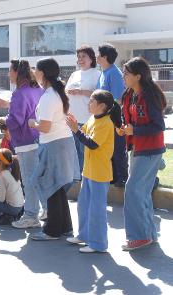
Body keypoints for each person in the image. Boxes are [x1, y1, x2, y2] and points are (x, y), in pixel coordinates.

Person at [0, 59, 46, 228]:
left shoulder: (20, 93)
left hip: (25, 141)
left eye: (10, 70)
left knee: (29, 180)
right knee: (37, 178)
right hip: (39, 137)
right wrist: (8, 106)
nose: (8, 74)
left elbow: (15, 120)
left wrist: (0, 119)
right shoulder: (37, 89)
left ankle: (31, 216)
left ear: (17, 72)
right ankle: (44, 210)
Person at [28, 58, 80, 241]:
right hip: (61, 143)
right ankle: (64, 228)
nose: (34, 72)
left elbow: (45, 127)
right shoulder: (56, 93)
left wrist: (32, 123)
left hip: (53, 144)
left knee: (51, 187)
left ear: (42, 73)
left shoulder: (49, 96)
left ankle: (52, 231)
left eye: (36, 70)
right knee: (56, 188)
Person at [65, 90, 122, 253]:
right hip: (88, 171)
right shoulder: (93, 118)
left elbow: (92, 143)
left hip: (100, 173)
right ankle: (84, 235)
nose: (89, 103)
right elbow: (83, 132)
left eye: (91, 101)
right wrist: (75, 126)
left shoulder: (106, 123)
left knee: (97, 210)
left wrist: (76, 130)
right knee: (83, 206)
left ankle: (99, 244)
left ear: (102, 106)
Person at [120, 57, 166, 251]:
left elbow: (158, 125)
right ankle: (148, 235)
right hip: (138, 148)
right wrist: (126, 130)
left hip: (149, 150)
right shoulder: (130, 94)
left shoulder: (148, 96)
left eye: (127, 73)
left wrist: (134, 131)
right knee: (141, 193)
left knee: (133, 191)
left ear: (138, 76)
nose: (124, 76)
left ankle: (139, 237)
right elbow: (133, 121)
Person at [66, 45, 101, 173]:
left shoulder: (97, 74)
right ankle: (77, 176)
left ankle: (86, 176)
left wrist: (81, 92)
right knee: (74, 152)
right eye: (79, 57)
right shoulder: (74, 74)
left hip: (87, 119)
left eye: (83, 56)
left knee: (85, 151)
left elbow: (99, 94)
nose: (80, 59)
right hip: (72, 120)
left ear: (91, 58)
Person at [96, 43, 128, 187]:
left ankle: (122, 177)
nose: (96, 56)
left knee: (118, 150)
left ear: (105, 57)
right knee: (108, 150)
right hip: (104, 119)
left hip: (113, 119)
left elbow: (118, 99)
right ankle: (113, 177)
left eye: (99, 54)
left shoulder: (114, 73)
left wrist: (107, 115)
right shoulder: (103, 72)